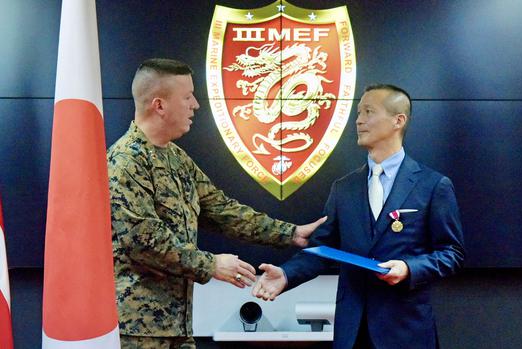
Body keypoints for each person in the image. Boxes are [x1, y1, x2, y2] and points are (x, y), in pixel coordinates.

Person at [107, 58, 326, 349]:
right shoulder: (125, 161)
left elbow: (221, 209)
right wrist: (211, 264)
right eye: (187, 97)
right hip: (138, 330)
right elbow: (144, 242)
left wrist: (290, 233)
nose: (195, 105)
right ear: (159, 105)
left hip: (178, 326)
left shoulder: (176, 158)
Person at [252, 84, 465, 349]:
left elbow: (451, 253)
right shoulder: (344, 187)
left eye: (368, 111)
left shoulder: (433, 185)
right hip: (351, 332)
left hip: (405, 330)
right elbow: (323, 249)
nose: (358, 120)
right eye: (358, 112)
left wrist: (410, 268)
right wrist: (286, 275)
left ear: (398, 120)